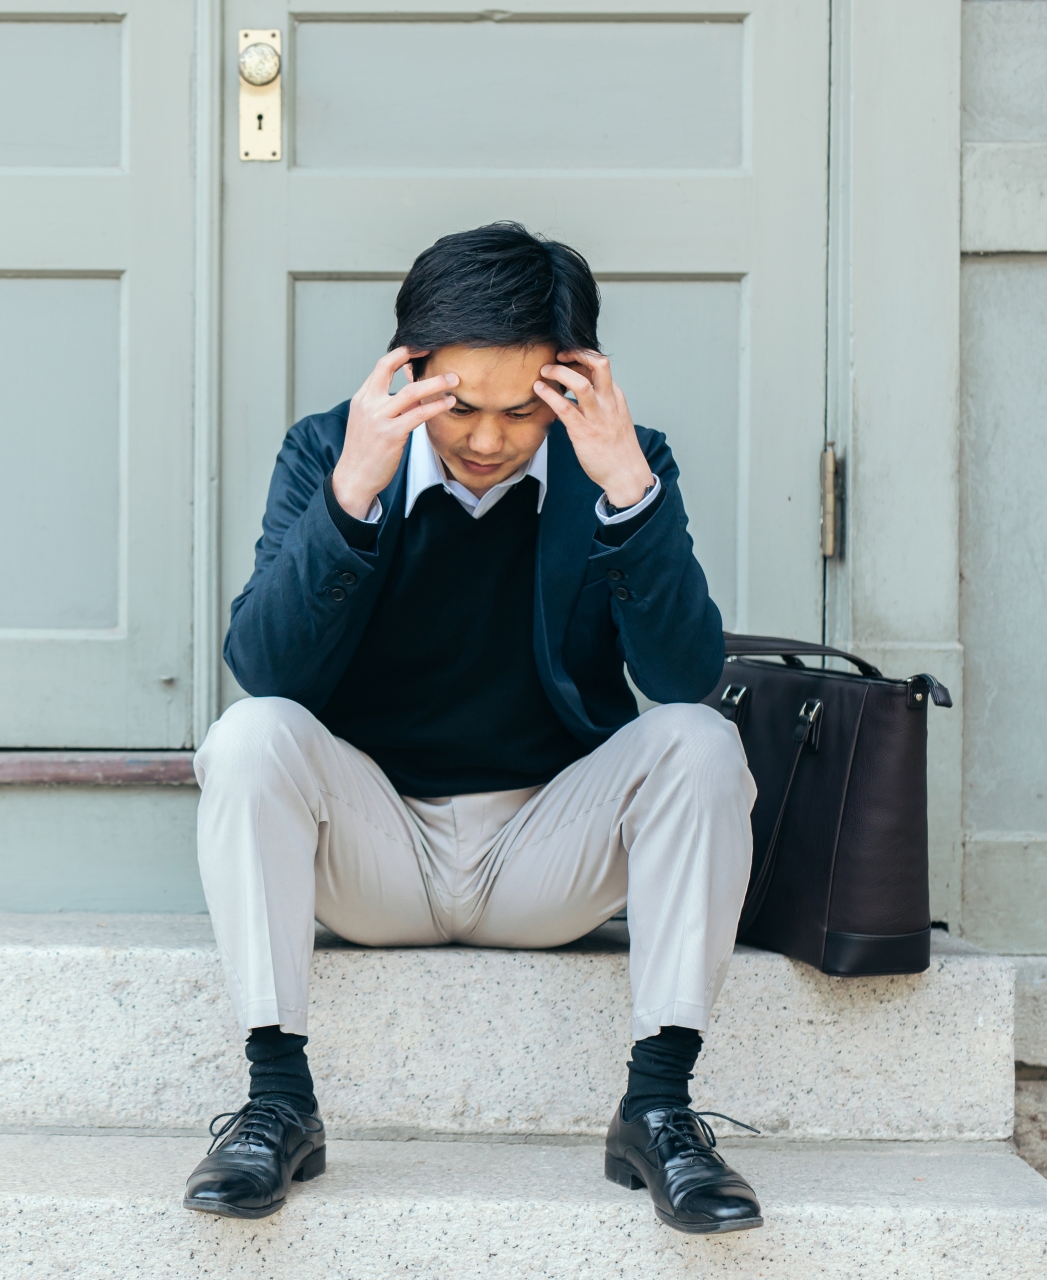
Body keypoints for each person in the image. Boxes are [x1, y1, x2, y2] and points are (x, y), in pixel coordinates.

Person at [182, 221, 761, 1235]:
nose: (488, 440)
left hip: (546, 850)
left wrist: (627, 487)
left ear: (571, 382)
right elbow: (268, 668)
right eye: (460, 406)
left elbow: (682, 675)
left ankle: (659, 1106)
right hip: (373, 849)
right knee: (247, 734)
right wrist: (354, 491)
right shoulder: (329, 450)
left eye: (521, 410)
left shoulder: (617, 463)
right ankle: (278, 1101)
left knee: (702, 741)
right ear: (409, 371)